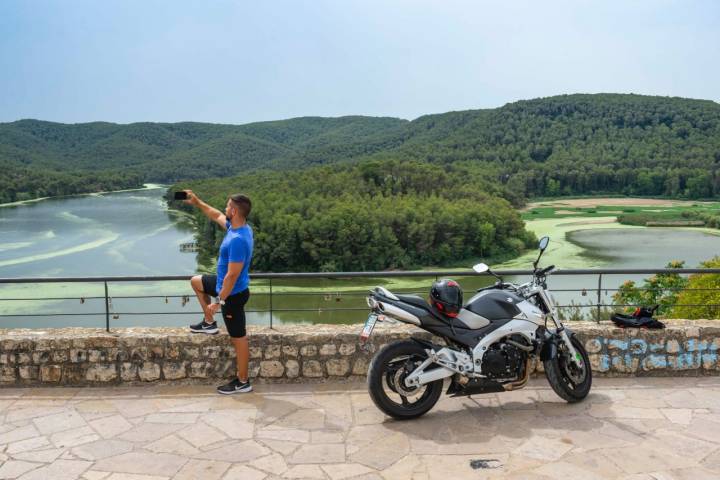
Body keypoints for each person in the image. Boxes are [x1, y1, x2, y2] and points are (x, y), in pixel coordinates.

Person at [184, 190, 254, 394]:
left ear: (234, 210)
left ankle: (243, 382)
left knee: (239, 338)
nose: (224, 209)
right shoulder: (237, 228)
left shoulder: (239, 240)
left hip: (232, 295)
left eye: (227, 206)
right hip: (224, 286)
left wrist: (219, 302)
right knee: (196, 281)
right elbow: (215, 215)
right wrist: (197, 202)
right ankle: (209, 323)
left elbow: (233, 275)